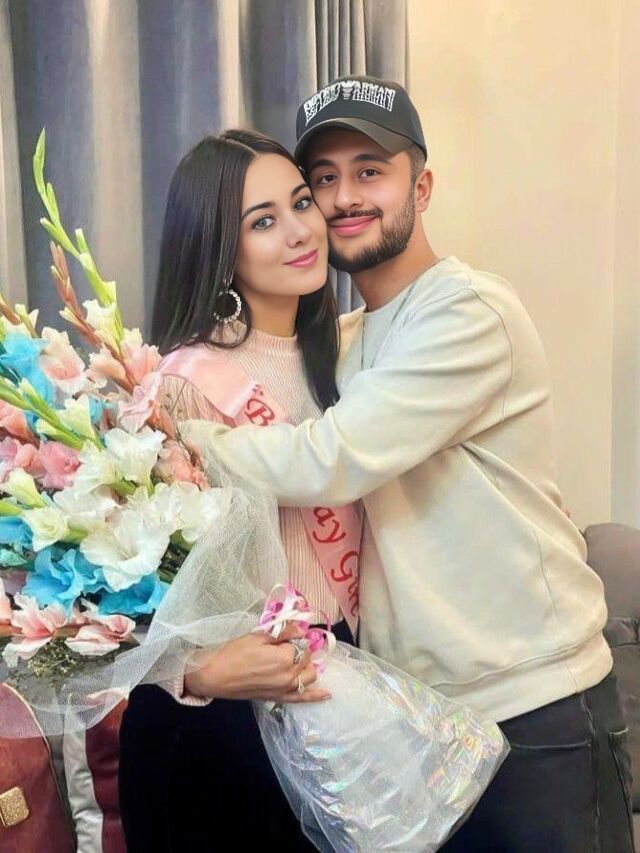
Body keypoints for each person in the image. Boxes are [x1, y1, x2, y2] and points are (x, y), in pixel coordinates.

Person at [182, 76, 634, 852]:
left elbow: (329, 459)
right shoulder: (341, 345)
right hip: (422, 725)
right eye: (322, 180)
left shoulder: (466, 310)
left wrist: (183, 437)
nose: (343, 198)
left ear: (421, 187)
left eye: (370, 171)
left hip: (536, 708)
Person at [118, 128, 358, 852]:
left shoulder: (352, 362)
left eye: (301, 203)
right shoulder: (180, 386)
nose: (300, 231)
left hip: (335, 688)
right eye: (263, 221)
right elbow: (121, 596)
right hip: (219, 731)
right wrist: (199, 671)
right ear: (219, 248)